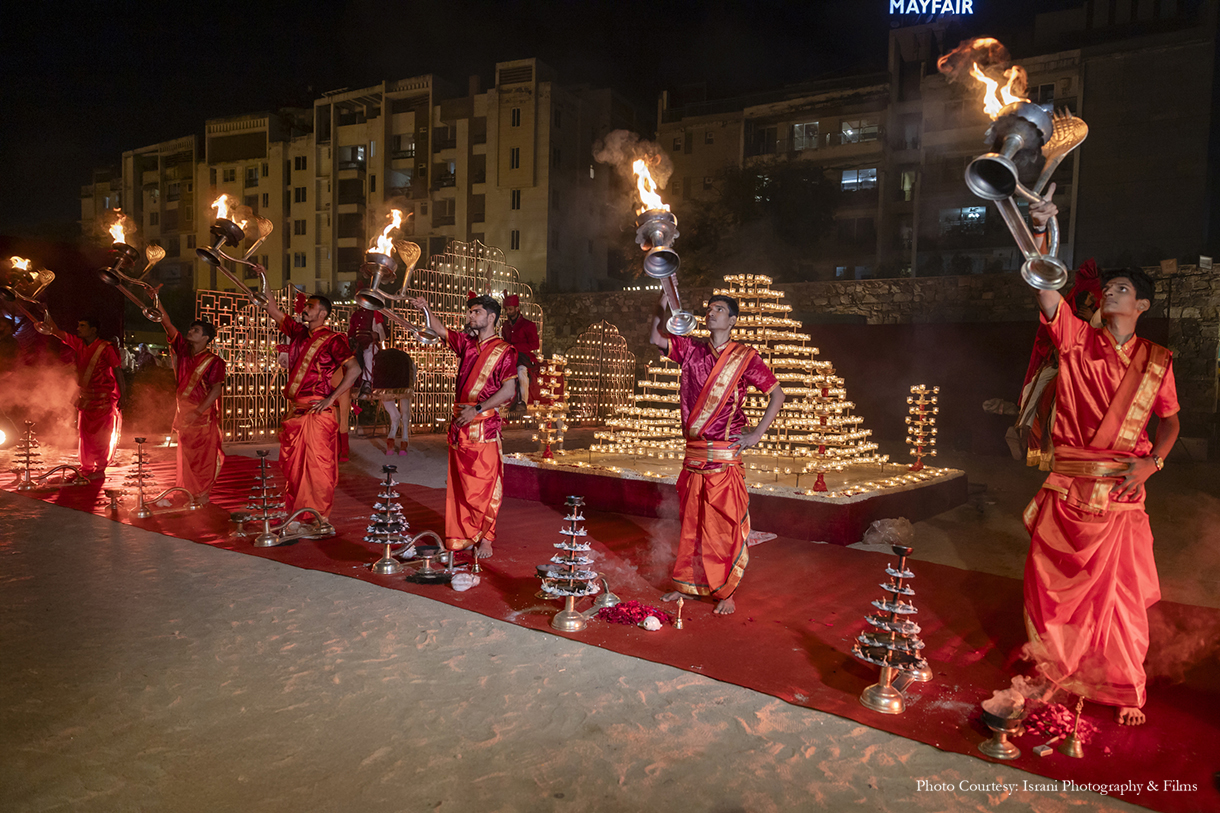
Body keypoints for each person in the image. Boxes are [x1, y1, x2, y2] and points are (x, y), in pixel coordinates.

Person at [1022, 188, 1179, 727]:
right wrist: (1042, 229)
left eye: (1123, 288)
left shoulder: (1158, 361)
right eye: (1108, 286)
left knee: (1123, 599)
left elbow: (1171, 419)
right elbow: (1046, 288)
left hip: (1122, 494)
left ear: (1142, 306)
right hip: (1068, 491)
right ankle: (1055, 673)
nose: (1111, 292)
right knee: (1052, 590)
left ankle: (1119, 685)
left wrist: (1154, 462)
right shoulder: (1075, 340)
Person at [648, 294, 785, 615]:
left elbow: (777, 396)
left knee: (723, 526)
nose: (711, 314)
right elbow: (655, 337)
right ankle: (689, 585)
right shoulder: (691, 347)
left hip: (724, 457)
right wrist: (661, 298)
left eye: (720, 310)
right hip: (693, 456)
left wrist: (756, 434)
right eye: (709, 309)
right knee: (692, 526)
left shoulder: (745, 357)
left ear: (733, 320)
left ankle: (726, 590)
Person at [408, 293, 517, 558]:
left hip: (483, 426)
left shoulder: (505, 350)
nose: (470, 316)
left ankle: (486, 537)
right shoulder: (466, 344)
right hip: (460, 425)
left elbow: (509, 390)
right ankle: (460, 537)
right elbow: (439, 329)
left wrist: (477, 409)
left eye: (476, 312)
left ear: (491, 317)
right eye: (470, 312)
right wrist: (426, 308)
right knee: (460, 487)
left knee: (484, 485)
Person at [259, 287, 360, 523]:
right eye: (306, 306)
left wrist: (331, 398)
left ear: (323, 313)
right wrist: (263, 277)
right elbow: (272, 309)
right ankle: (297, 516)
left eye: (310, 306)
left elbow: (355, 369)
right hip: (297, 412)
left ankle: (318, 519)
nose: (304, 309)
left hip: (318, 413)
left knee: (318, 471)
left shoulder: (334, 340)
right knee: (294, 472)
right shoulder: (298, 333)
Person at [155, 298, 225, 500]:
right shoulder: (183, 351)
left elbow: (216, 390)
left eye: (196, 331)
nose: (190, 332)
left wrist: (198, 411)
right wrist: (157, 300)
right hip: (184, 415)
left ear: (206, 338)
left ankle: (202, 494)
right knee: (186, 457)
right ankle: (188, 491)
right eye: (191, 329)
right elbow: (166, 323)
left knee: (203, 458)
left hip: (202, 417)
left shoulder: (214, 361)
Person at [43, 314, 125, 478]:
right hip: (86, 398)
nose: (78, 329)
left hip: (104, 398)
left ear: (93, 330)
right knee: (85, 434)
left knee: (102, 435)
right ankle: (87, 467)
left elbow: (117, 370)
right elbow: (57, 332)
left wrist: (124, 393)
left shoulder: (106, 348)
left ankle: (100, 469)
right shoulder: (79, 344)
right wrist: (45, 313)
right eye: (78, 325)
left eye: (82, 326)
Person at [500, 294, 539, 411]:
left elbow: (535, 344)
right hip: (509, 356)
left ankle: (523, 402)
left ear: (517, 309)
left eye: (510, 309)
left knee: (521, 372)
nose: (508, 312)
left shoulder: (528, 325)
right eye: (506, 309)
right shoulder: (505, 325)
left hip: (523, 357)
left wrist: (516, 347)